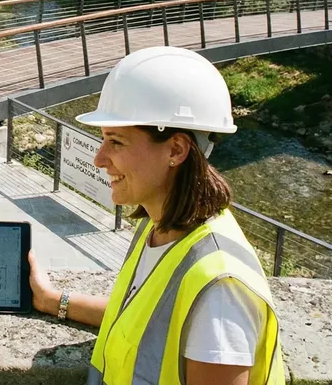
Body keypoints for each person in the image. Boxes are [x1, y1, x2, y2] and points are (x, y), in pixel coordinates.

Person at [28, 47, 284, 385]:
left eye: (116, 142)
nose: (100, 159)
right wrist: (54, 301)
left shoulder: (220, 290)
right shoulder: (157, 226)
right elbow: (148, 322)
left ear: (176, 150)